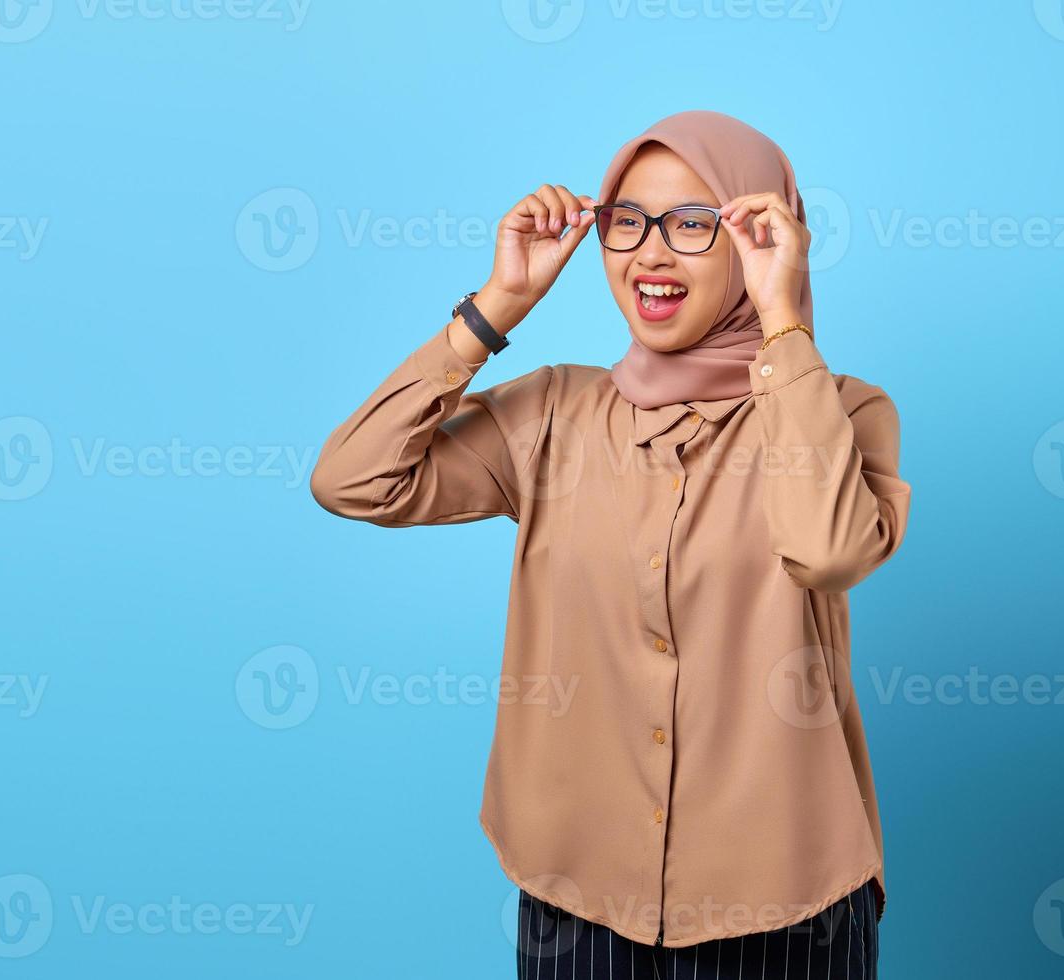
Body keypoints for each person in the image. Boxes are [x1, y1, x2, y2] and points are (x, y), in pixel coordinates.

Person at [308, 109, 910, 977]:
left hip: (785, 904)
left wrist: (783, 324)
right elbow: (353, 479)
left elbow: (827, 552)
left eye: (694, 224)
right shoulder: (550, 413)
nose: (650, 253)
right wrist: (495, 307)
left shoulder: (842, 412)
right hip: (578, 900)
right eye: (626, 222)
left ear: (758, 238)